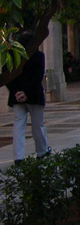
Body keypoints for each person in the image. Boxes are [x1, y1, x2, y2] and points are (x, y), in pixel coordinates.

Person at [6, 31, 51, 164]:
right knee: (38, 125)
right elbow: (37, 77)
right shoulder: (38, 56)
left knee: (18, 125)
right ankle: (42, 152)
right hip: (34, 96)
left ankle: (18, 156)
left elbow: (8, 76)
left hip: (17, 97)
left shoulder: (12, 57)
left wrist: (16, 92)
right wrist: (26, 93)